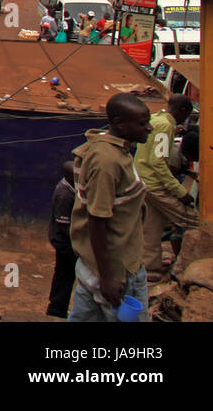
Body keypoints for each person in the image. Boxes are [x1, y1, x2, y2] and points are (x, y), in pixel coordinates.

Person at [67, 93, 152, 322]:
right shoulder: (108, 162)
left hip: (93, 265)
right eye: (142, 123)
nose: (150, 128)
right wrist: (108, 277)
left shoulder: (111, 150)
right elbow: (97, 219)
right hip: (117, 269)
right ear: (119, 124)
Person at [136, 94, 198, 284]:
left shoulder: (155, 119)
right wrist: (181, 193)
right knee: (193, 221)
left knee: (151, 230)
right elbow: (159, 164)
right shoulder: (166, 126)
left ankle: (150, 272)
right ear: (182, 111)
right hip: (155, 185)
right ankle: (181, 269)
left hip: (143, 181)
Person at [47, 161, 76, 319]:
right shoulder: (64, 194)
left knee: (66, 276)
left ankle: (59, 308)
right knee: (64, 276)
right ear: (69, 177)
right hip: (64, 242)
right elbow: (63, 226)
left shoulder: (70, 188)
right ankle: (56, 310)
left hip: (66, 240)